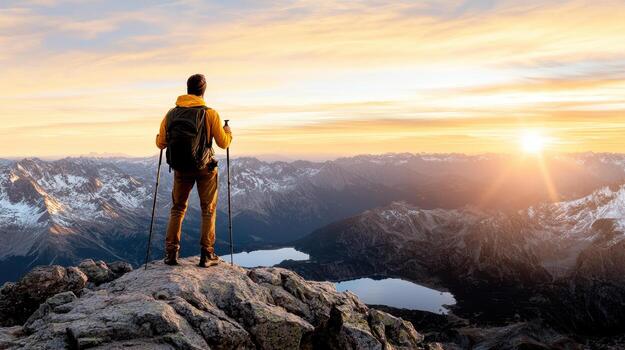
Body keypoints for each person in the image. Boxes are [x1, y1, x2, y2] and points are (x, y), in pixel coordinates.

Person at [155, 74, 232, 267]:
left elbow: (161, 143)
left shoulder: (171, 114)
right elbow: (223, 143)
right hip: (205, 168)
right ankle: (207, 255)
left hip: (181, 168)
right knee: (208, 209)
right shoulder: (210, 113)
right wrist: (229, 132)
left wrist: (159, 136)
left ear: (188, 89)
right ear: (203, 90)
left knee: (178, 209)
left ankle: (171, 254)